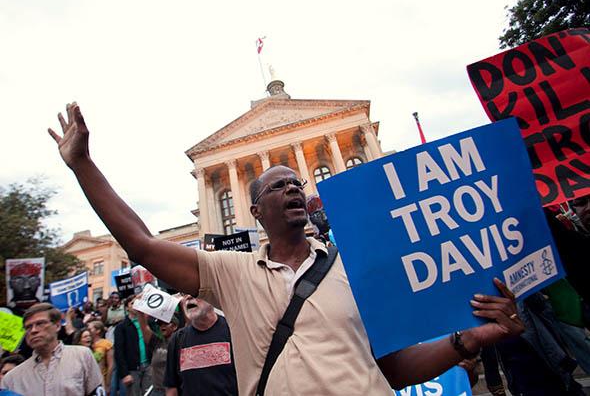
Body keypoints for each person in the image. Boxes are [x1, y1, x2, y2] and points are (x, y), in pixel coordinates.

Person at [49, 102, 523, 395]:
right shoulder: (232, 273)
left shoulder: (357, 267)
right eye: (277, 186)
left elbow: (392, 369)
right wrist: (83, 165)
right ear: (254, 211)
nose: (295, 187)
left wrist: (468, 339)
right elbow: (141, 244)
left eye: (297, 182)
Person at [2, 303, 104, 396]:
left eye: (40, 323)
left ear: (57, 325)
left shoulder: (81, 356)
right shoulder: (12, 378)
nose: (33, 330)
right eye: (28, 327)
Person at [164, 296, 237, 395]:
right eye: (184, 293)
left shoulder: (232, 330)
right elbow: (172, 386)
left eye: (195, 292)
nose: (188, 297)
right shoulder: (177, 339)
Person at [114, 296, 153, 396]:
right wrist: (125, 374)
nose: (136, 305)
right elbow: (119, 352)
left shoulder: (148, 323)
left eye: (138, 302)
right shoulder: (121, 327)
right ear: (127, 308)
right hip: (132, 369)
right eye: (132, 303)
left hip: (149, 366)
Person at [135, 308, 179, 396]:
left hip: (176, 391)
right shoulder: (157, 342)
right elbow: (144, 327)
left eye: (165, 323)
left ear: (174, 326)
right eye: (160, 324)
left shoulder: (182, 342)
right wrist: (140, 309)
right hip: (157, 391)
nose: (162, 326)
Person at [88, 320, 114, 395]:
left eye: (90, 329)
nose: (88, 331)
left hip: (102, 377)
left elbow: (111, 365)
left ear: (98, 331)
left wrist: (108, 383)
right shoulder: (87, 343)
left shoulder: (106, 343)